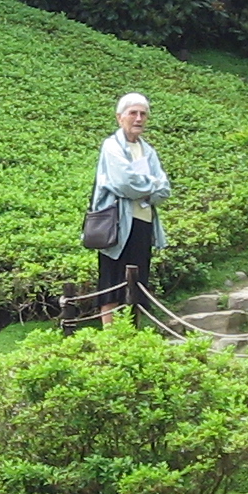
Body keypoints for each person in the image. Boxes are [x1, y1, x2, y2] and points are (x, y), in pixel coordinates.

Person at [90, 92, 171, 325]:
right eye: (133, 113)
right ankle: (110, 338)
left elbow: (164, 188)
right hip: (117, 223)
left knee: (138, 282)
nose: (138, 118)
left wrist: (147, 187)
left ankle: (132, 334)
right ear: (120, 117)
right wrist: (150, 187)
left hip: (143, 222)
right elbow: (124, 182)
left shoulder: (149, 151)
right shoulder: (111, 146)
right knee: (112, 279)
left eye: (143, 114)